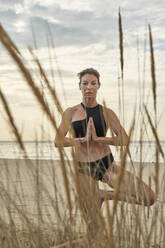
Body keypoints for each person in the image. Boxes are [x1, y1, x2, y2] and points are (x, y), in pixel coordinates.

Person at [54, 68, 155, 214]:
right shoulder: (71, 112)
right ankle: (97, 199)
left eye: (93, 83)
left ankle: (103, 195)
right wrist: (81, 139)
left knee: (148, 198)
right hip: (83, 169)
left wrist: (98, 139)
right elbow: (58, 141)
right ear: (79, 86)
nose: (89, 87)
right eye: (85, 83)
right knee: (93, 226)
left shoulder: (107, 113)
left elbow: (124, 140)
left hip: (106, 164)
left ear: (98, 86)